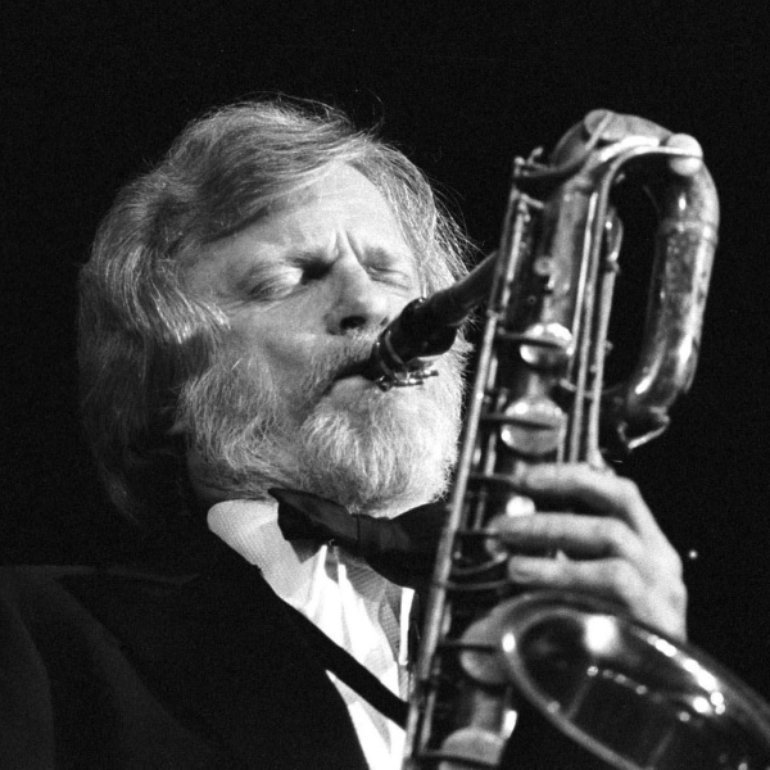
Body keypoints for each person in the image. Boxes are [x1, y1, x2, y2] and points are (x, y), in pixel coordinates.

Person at [0, 98, 686, 769]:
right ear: (168, 384)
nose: (370, 303)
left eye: (390, 272)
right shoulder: (36, 632)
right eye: (289, 278)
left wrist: (653, 701)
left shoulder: (568, 643)